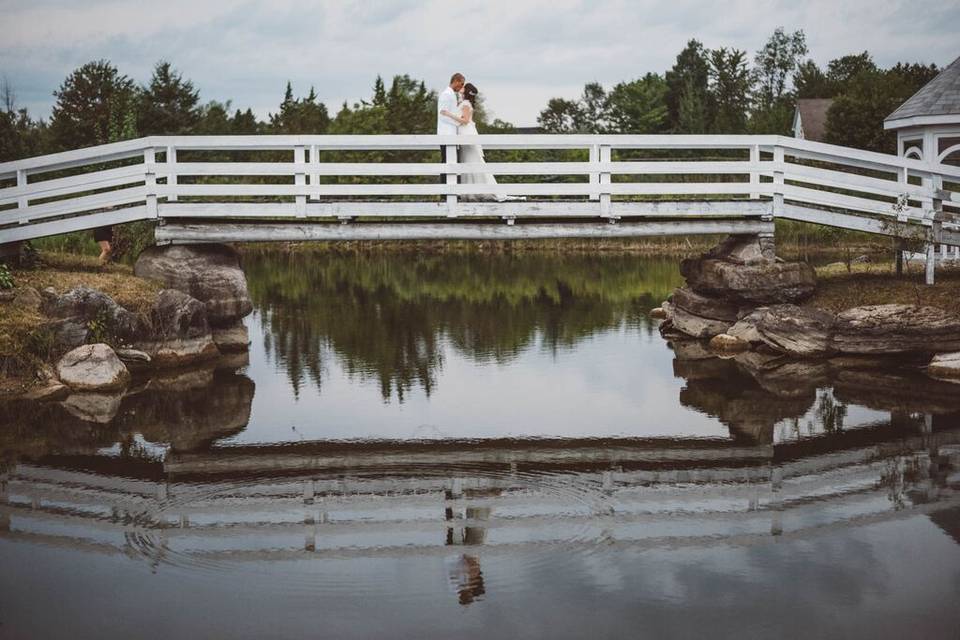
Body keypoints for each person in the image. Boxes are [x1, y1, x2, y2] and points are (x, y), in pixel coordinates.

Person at [450, 83, 522, 202]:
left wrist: (450, 115)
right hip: (464, 133)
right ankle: (471, 192)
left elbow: (465, 120)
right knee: (468, 161)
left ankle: (480, 190)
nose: (461, 88)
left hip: (467, 133)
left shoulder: (466, 104)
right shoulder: (464, 103)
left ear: (466, 91)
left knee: (473, 161)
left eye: (463, 87)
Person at [437, 73, 465, 186]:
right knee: (446, 163)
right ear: (456, 81)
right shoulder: (446, 95)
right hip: (446, 134)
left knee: (452, 162)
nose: (462, 86)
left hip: (451, 134)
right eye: (461, 83)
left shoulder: (452, 95)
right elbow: (442, 115)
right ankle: (445, 193)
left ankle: (450, 190)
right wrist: (458, 122)